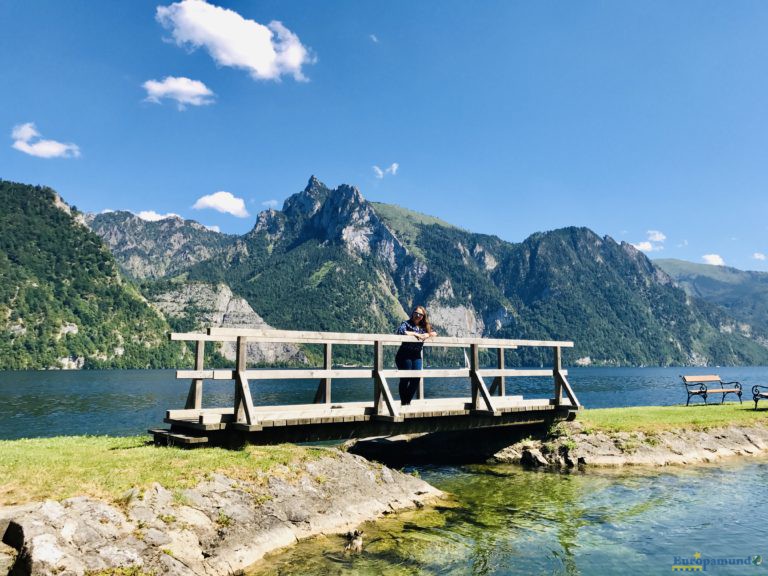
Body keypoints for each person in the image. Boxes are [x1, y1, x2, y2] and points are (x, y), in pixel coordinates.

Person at [395, 306, 437, 405]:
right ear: (413, 313)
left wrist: (428, 335)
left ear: (423, 316)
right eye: (416, 313)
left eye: (420, 314)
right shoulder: (406, 323)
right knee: (405, 378)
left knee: (417, 378)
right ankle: (403, 403)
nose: (418, 315)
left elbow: (435, 332)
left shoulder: (425, 326)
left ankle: (407, 402)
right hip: (404, 354)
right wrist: (416, 334)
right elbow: (400, 331)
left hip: (416, 355)